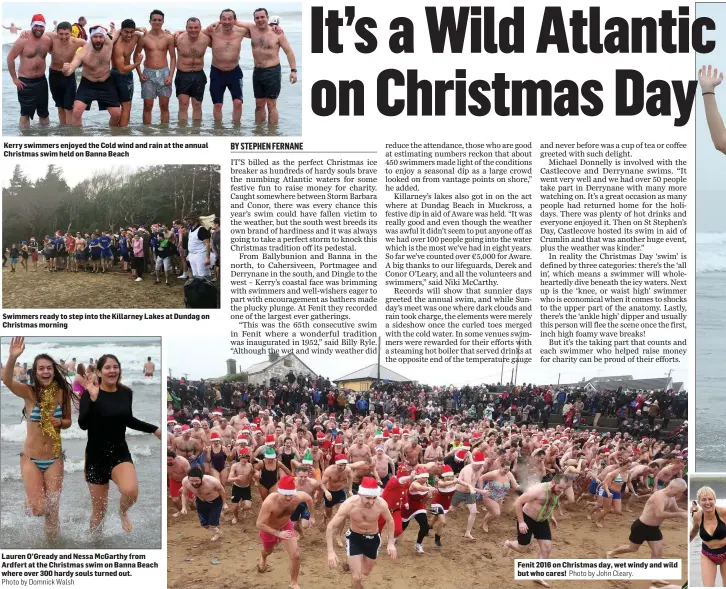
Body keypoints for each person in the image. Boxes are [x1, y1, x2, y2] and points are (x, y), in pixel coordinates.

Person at [2, 337, 76, 544]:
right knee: (39, 509)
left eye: (49, 368)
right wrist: (12, 357)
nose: (45, 372)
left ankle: (53, 548)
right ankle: (31, 500)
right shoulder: (29, 393)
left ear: (54, 370)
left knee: (52, 512)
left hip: (54, 458)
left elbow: (69, 421)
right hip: (30, 458)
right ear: (35, 372)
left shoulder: (63, 392)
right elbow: (7, 380)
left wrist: (61, 422)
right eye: (41, 368)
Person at [78, 354, 161, 533]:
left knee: (130, 492)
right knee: (98, 513)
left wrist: (155, 429)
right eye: (107, 367)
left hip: (119, 453)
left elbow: (128, 420)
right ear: (99, 371)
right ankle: (95, 544)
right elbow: (83, 425)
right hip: (95, 457)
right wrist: (93, 399)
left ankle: (123, 512)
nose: (112, 370)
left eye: (115, 367)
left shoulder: (126, 393)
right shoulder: (89, 393)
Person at [326, 477, 397, 589]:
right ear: (360, 494)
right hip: (355, 538)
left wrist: (391, 543)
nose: (371, 502)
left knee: (365, 572)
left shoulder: (381, 504)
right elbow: (331, 526)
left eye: (374, 498)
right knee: (356, 577)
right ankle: (353, 562)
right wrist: (330, 551)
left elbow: (390, 520)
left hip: (373, 539)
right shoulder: (349, 504)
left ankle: (353, 563)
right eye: (368, 498)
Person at [503, 475, 569, 587]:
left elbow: (550, 503)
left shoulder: (557, 492)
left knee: (547, 548)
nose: (561, 491)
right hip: (527, 519)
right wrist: (521, 522)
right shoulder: (537, 490)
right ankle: (508, 543)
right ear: (553, 482)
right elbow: (518, 503)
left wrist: (551, 516)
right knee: (523, 548)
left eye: (563, 488)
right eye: (560, 488)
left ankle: (538, 575)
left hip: (542, 521)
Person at [606, 478, 687, 559]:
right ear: (671, 487)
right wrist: (680, 515)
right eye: (678, 491)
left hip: (654, 528)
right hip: (641, 527)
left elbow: (675, 509)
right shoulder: (659, 496)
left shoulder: (671, 496)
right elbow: (659, 514)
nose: (679, 494)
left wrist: (688, 513)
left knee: (658, 553)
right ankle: (611, 553)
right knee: (632, 548)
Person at [255, 475, 312, 587]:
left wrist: (312, 516)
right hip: (269, 529)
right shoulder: (270, 502)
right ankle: (263, 558)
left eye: (290, 495)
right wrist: (277, 533)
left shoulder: (297, 497)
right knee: (268, 551)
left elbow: (309, 499)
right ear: (279, 492)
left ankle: (294, 582)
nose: (288, 498)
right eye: (285, 495)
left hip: (286, 526)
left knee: (296, 555)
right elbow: (259, 524)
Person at [62, 25, 122, 126]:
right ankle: (79, 137)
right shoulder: (84, 52)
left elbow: (119, 31)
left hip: (106, 83)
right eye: (95, 37)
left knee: (116, 114)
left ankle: (111, 136)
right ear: (91, 38)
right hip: (88, 84)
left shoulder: (109, 42)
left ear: (104, 37)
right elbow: (70, 70)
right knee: (76, 112)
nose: (98, 40)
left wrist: (138, 30)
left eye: (100, 37)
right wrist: (65, 70)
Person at [248, 8, 297, 124]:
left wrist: (293, 70)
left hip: (272, 72)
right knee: (259, 104)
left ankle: (272, 133)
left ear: (267, 18)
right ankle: (259, 131)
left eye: (262, 17)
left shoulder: (277, 33)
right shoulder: (252, 30)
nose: (260, 20)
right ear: (254, 19)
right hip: (257, 72)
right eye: (257, 17)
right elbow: (233, 22)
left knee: (271, 104)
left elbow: (289, 52)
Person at [7, 14, 52, 128]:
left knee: (44, 113)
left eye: (41, 26)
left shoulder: (47, 40)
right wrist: (15, 79)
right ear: (32, 25)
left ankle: (45, 137)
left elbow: (58, 49)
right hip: (25, 82)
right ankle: (24, 139)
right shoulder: (23, 39)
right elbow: (10, 57)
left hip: (42, 81)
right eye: (36, 26)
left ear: (44, 27)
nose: (38, 28)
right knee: (25, 114)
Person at [134, 10, 175, 124]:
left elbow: (172, 57)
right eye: (154, 20)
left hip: (164, 73)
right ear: (150, 21)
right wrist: (140, 74)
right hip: (148, 74)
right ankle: (147, 134)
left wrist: (171, 75)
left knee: (164, 106)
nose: (157, 22)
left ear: (163, 21)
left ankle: (164, 133)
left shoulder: (168, 37)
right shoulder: (144, 38)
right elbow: (135, 56)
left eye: (159, 20)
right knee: (147, 106)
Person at [173, 18, 211, 121]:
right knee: (183, 104)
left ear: (200, 28)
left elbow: (221, 39)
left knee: (197, 104)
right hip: (183, 74)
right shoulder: (178, 38)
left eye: (196, 27)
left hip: (199, 75)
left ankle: (196, 132)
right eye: (190, 27)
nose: (193, 30)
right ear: (186, 28)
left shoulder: (206, 39)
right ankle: (182, 131)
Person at [690, 485, 726, 586]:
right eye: (703, 499)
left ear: (715, 500)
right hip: (708, 555)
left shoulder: (723, 512)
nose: (707, 502)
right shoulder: (697, 516)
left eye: (710, 499)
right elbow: (694, 532)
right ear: (699, 502)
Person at [180, 467, 227, 541]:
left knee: (212, 524)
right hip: (200, 501)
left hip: (215, 502)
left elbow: (222, 491)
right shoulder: (185, 481)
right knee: (204, 525)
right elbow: (184, 494)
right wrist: (184, 507)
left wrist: (225, 503)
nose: (194, 483)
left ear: (201, 477)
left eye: (197, 481)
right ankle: (216, 529)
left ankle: (218, 532)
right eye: (191, 481)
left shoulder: (212, 481)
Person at [111, 19, 143, 127]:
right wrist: (137, 63)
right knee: (121, 107)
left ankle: (119, 131)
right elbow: (121, 69)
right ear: (121, 31)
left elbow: (146, 33)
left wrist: (137, 29)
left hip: (128, 75)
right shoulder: (118, 46)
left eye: (131, 32)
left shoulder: (136, 36)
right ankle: (122, 133)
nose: (129, 35)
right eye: (126, 32)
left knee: (127, 106)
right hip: (117, 75)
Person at [167, 449, 191, 517]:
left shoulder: (183, 462)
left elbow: (189, 476)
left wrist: (185, 486)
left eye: (170, 460)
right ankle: (181, 511)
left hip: (186, 480)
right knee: (175, 500)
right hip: (174, 481)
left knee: (191, 501)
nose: (168, 462)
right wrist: (168, 486)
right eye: (166, 460)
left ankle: (195, 508)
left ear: (175, 458)